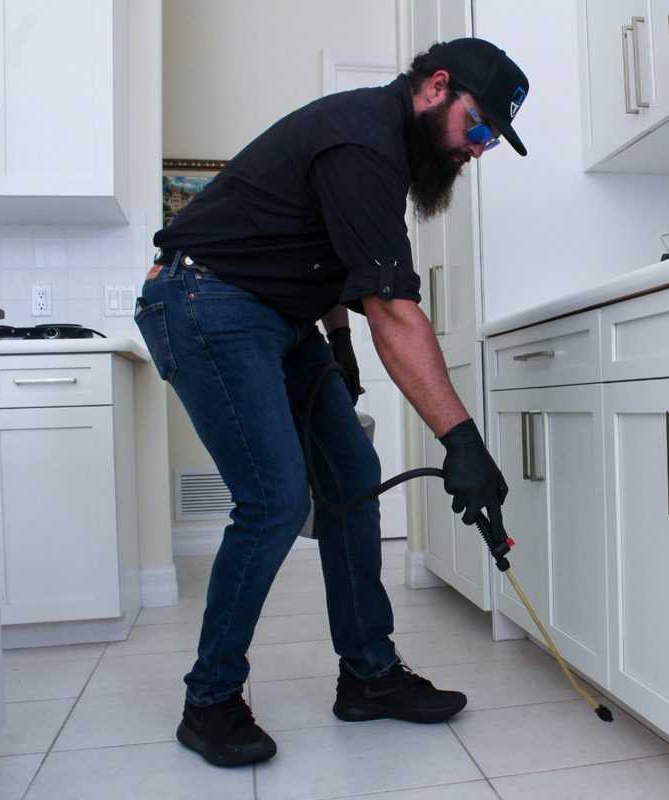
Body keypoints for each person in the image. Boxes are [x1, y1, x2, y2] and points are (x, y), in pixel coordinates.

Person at [136, 38, 528, 768]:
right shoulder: (364, 142)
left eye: (492, 142)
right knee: (276, 499)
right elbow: (394, 311)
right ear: (437, 87)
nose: (479, 150)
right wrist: (462, 442)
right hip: (204, 301)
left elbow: (322, 256)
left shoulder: (379, 151)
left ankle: (369, 676)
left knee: (351, 477)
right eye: (478, 129)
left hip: (277, 317)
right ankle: (210, 697)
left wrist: (336, 341)